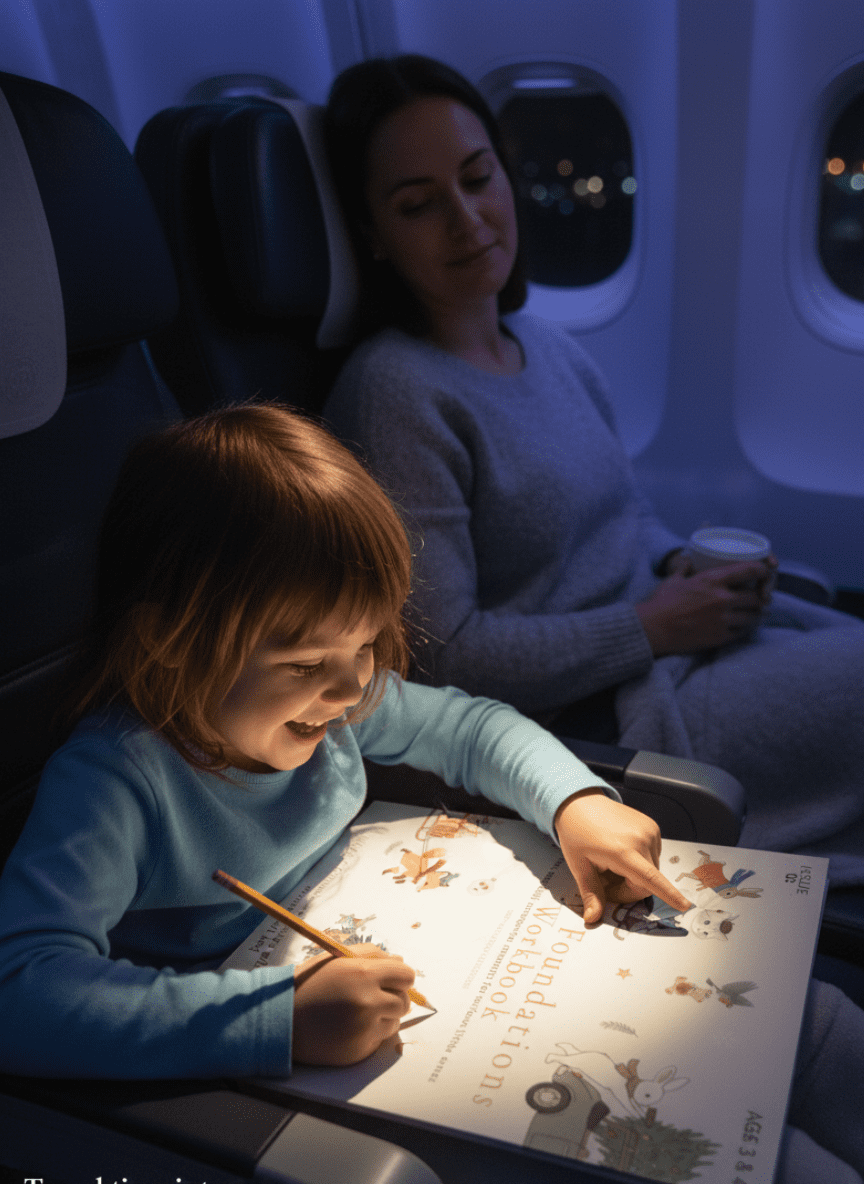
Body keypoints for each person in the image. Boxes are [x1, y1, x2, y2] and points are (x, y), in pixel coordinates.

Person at [0, 402, 691, 1079]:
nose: (354, 690)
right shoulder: (114, 781)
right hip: (228, 1049)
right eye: (303, 665)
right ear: (170, 642)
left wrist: (575, 803)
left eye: (365, 646)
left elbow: (470, 729)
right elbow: (21, 992)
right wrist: (280, 1019)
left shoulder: (335, 700)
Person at [321, 54, 864, 888]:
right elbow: (440, 655)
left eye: (478, 177)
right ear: (373, 236)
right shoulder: (395, 390)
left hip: (666, 652)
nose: (467, 220)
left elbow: (625, 513)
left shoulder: (547, 347)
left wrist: (680, 563)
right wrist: (652, 626)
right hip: (605, 716)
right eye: (419, 205)